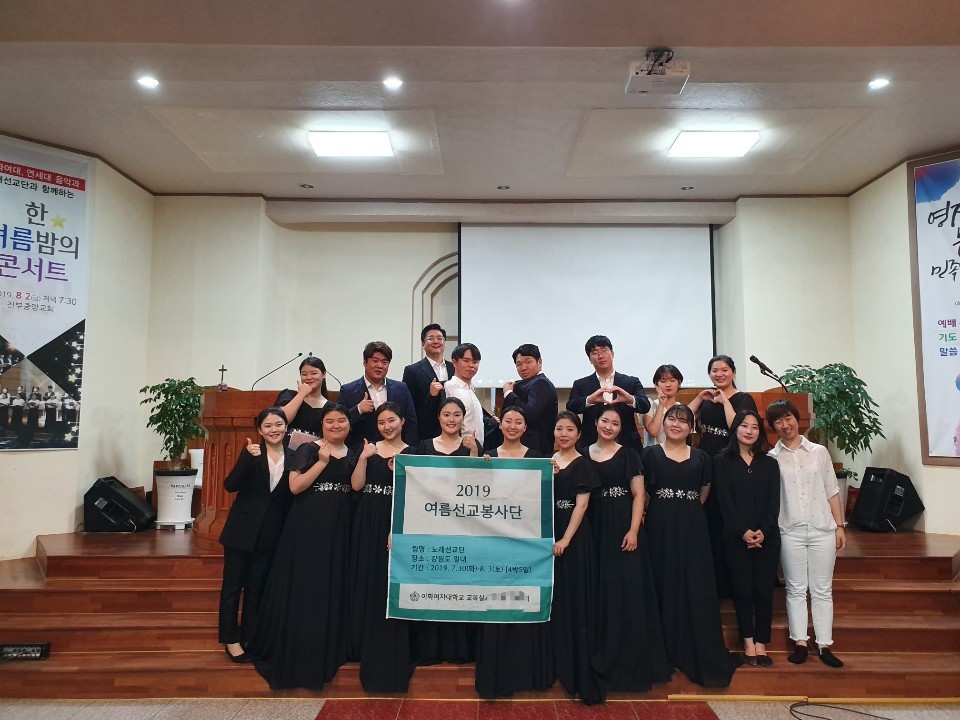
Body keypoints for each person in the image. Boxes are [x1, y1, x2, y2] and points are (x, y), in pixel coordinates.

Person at [249, 403, 356, 690]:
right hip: (307, 526)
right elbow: (294, 487)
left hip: (339, 529)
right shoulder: (309, 449)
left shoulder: (354, 454)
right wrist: (321, 463)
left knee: (329, 586)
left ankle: (326, 645)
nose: (335, 425)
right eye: (330, 420)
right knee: (305, 586)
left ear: (349, 424)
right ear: (322, 425)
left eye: (341, 420)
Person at [641, 404, 738, 688]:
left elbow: (704, 492)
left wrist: (686, 508)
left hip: (693, 527)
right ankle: (663, 649)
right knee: (662, 581)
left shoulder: (702, 457)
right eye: (671, 419)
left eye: (683, 421)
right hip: (659, 526)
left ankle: (690, 646)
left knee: (693, 582)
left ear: (691, 427)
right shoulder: (649, 454)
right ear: (664, 423)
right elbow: (643, 492)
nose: (676, 424)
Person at [585, 407, 672, 692]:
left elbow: (638, 495)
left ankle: (631, 659)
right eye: (605, 421)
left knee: (628, 589)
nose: (609, 426)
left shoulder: (629, 455)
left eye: (615, 423)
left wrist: (634, 530)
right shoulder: (583, 454)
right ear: (596, 423)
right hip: (593, 527)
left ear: (621, 428)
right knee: (601, 589)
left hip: (624, 525)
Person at [474, 406, 552, 699]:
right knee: (495, 604)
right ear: (500, 424)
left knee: (523, 601)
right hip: (494, 543)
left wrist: (551, 474)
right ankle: (494, 674)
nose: (513, 425)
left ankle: (524, 672)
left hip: (526, 543)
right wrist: (478, 470)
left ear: (525, 427)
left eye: (519, 422)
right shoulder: (488, 457)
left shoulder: (537, 458)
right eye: (508, 420)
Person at [766, 399, 846, 669]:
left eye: (788, 418)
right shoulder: (772, 458)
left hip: (822, 528)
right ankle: (800, 642)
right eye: (778, 421)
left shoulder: (818, 452)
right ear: (773, 427)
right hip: (790, 530)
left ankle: (824, 644)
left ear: (797, 418)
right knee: (796, 589)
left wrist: (840, 526)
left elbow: (832, 490)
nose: (785, 425)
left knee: (822, 590)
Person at [218, 407, 294, 663]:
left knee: (256, 587)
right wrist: (246, 458)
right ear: (260, 430)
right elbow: (230, 485)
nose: (274, 430)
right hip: (241, 531)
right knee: (232, 588)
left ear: (286, 427)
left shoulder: (294, 456)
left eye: (278, 424)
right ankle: (230, 639)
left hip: (271, 533)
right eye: (268, 426)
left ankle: (250, 637)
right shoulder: (252, 453)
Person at [408, 397, 479, 666]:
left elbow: (479, 486)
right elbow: (414, 486)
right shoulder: (424, 446)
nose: (451, 419)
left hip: (462, 527)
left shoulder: (472, 446)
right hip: (430, 526)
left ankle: (460, 649)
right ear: (438, 417)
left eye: (457, 414)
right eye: (446, 414)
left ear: (464, 418)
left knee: (460, 585)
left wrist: (474, 453)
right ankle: (429, 649)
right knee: (432, 583)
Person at [348, 402, 413, 692]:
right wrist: (363, 458)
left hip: (396, 520)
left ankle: (389, 645)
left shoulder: (413, 452)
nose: (387, 426)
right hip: (367, 519)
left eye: (392, 420)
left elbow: (415, 495)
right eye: (382, 422)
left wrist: (397, 528)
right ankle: (362, 643)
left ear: (402, 421)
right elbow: (356, 486)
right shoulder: (369, 449)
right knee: (367, 578)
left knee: (389, 584)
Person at [714, 409, 780, 666]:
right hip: (735, 537)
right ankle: (748, 642)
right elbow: (725, 502)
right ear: (736, 429)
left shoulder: (770, 463)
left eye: (754, 427)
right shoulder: (722, 460)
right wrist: (743, 532)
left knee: (764, 590)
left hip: (767, 538)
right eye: (744, 425)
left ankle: (762, 642)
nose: (749, 431)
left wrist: (764, 530)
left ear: (760, 432)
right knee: (742, 590)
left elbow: (774, 502)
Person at [687, 355, 757, 597]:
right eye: (714, 370)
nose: (719, 374)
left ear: (734, 373)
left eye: (724, 370)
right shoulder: (708, 399)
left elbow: (737, 427)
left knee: (729, 517)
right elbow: (682, 417)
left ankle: (734, 584)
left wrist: (725, 400)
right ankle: (713, 582)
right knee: (711, 520)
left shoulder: (742, 398)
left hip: (730, 463)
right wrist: (699, 398)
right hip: (706, 462)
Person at [550, 411, 604, 705]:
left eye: (570, 429)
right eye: (559, 428)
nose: (564, 434)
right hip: (550, 536)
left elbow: (581, 506)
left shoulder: (583, 464)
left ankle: (577, 666)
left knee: (575, 600)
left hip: (575, 538)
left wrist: (566, 540)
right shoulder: (548, 461)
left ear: (579, 434)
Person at [566, 335, 651, 451]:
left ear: (613, 353)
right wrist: (589, 400)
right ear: (590, 359)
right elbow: (571, 407)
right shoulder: (581, 384)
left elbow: (645, 406)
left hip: (627, 446)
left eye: (604, 350)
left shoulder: (631, 382)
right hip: (591, 446)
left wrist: (630, 399)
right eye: (595, 353)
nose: (601, 356)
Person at [339, 341, 418, 451]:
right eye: (375, 361)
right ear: (365, 362)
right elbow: (339, 423)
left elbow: (411, 424)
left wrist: (409, 452)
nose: (379, 366)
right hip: (361, 452)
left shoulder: (401, 388)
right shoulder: (348, 390)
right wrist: (358, 410)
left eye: (384, 362)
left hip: (396, 451)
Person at [501, 344, 558, 455]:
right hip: (523, 447)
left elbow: (530, 414)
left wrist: (508, 393)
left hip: (535, 448)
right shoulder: (526, 383)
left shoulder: (541, 383)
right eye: (519, 364)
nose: (523, 367)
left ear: (539, 362)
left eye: (528, 362)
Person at [401, 323, 454, 441]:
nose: (436, 341)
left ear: (444, 343)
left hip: (454, 432)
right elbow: (408, 408)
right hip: (426, 434)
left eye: (439, 338)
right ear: (423, 344)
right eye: (430, 338)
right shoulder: (412, 370)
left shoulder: (454, 368)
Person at [442, 343, 487, 450]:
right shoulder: (448, 387)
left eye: (475, 362)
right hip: (458, 449)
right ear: (454, 362)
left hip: (476, 449)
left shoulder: (471, 389)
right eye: (466, 361)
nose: (471, 365)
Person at [273, 356, 331, 438]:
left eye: (314, 373)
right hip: (284, 445)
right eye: (304, 374)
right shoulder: (288, 395)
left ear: (324, 374)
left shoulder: (330, 407)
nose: (308, 378)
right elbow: (280, 421)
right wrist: (301, 394)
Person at [643, 364, 684, 446]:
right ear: (656, 385)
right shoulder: (649, 405)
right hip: (653, 452)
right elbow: (653, 432)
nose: (668, 385)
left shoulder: (682, 409)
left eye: (672, 380)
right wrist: (661, 405)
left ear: (679, 383)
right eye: (663, 381)